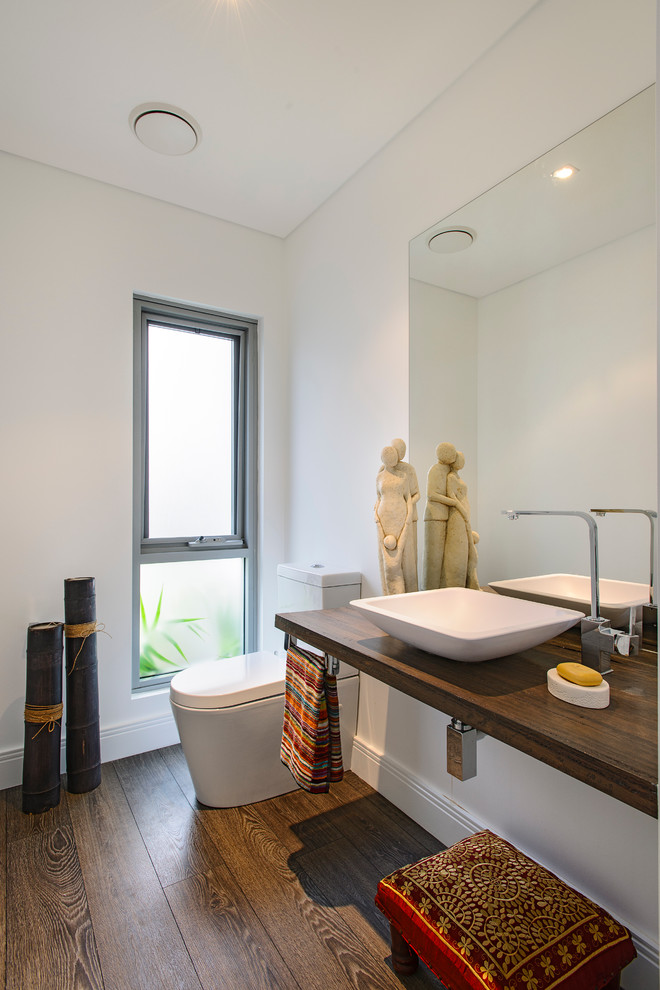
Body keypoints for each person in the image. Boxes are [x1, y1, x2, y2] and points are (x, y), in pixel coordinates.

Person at [375, 446, 414, 595]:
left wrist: (409, 515)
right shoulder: (379, 477)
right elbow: (379, 497)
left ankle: (403, 594)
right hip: (384, 515)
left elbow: (408, 497)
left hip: (400, 514)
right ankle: (387, 592)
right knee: (385, 554)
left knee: (401, 554)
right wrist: (376, 516)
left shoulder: (403, 475)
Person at [422, 442, 456, 590]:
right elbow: (431, 494)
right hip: (434, 516)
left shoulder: (449, 470)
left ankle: (440, 591)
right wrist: (452, 502)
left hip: (444, 516)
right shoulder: (435, 470)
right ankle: (429, 590)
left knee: (442, 559)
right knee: (433, 558)